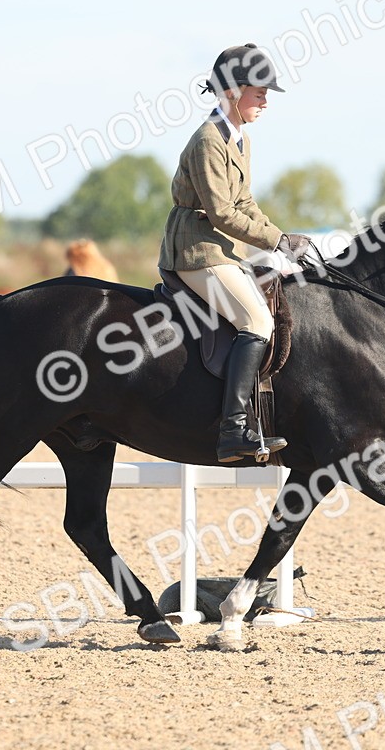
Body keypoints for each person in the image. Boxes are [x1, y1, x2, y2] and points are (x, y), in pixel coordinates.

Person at [157, 43, 311, 463]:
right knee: (257, 319)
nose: (265, 100)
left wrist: (283, 236)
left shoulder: (238, 139)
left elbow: (245, 203)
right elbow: (222, 212)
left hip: (222, 250)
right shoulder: (209, 140)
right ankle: (233, 429)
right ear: (230, 91)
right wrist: (276, 242)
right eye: (257, 91)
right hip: (196, 251)